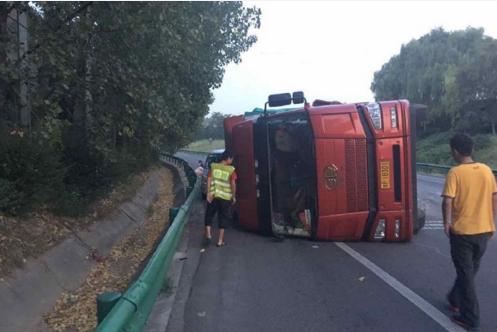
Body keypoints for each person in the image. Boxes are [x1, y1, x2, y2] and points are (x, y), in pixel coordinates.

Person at [441, 133, 497, 330]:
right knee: (469, 271)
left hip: (463, 233)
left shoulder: (455, 173)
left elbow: (448, 199)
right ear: (471, 150)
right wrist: (492, 223)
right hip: (484, 231)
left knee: (466, 274)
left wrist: (446, 223)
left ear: (456, 151)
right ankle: (454, 298)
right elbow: (494, 197)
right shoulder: (486, 170)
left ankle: (470, 318)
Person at [204, 150, 237, 247]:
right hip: (225, 198)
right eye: (232, 159)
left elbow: (209, 179)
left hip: (213, 195)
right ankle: (220, 241)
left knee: (209, 215)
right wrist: (233, 196)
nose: (232, 160)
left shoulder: (213, 167)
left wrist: (208, 192)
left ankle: (209, 235)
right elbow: (233, 184)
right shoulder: (231, 170)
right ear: (228, 158)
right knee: (223, 218)